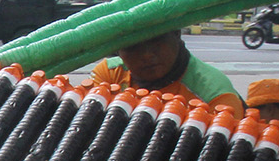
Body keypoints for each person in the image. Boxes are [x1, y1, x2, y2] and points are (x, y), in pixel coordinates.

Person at [89, 29, 244, 118]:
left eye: (156, 40)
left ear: (176, 34)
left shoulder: (216, 98)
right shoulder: (109, 76)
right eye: (133, 46)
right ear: (118, 51)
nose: (147, 55)